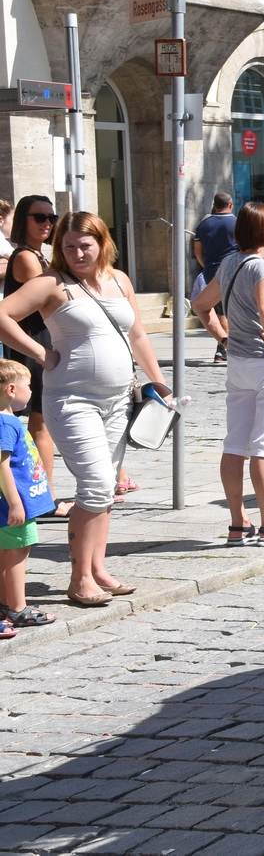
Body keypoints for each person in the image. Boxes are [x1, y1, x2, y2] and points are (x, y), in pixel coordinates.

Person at [0, 212, 169, 605]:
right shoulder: (52, 283)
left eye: (85, 245)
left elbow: (138, 333)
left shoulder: (119, 279)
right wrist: (42, 353)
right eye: (68, 246)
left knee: (106, 488)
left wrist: (158, 379)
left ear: (102, 243)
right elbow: (2, 314)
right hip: (72, 401)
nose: (77, 253)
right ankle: (79, 580)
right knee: (93, 486)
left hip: (117, 401)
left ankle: (97, 569)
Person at [191, 203, 264, 546]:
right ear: (261, 231)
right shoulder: (262, 268)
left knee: (235, 444)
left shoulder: (229, 263)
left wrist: (223, 338)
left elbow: (201, 304)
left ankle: (238, 522)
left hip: (238, 363)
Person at [3, 196, 64, 519]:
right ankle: (47, 496)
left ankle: (44, 492)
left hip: (38, 340)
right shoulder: (27, 258)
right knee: (40, 421)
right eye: (38, 217)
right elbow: (53, 294)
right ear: (23, 220)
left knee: (42, 420)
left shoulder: (40, 256)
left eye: (51, 217)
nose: (47, 223)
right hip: (32, 344)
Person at [0, 358, 53, 632]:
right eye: (28, 386)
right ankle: (18, 608)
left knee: (9, 551)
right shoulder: (5, 424)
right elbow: (2, 465)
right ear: (11, 390)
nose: (31, 391)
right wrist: (15, 503)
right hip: (14, 506)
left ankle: (6, 601)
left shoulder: (9, 420)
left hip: (15, 504)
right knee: (17, 552)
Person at [193, 193, 238, 362]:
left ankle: (222, 347)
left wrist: (207, 267)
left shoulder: (204, 224)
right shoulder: (237, 223)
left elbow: (198, 251)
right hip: (234, 270)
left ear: (215, 205)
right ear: (231, 205)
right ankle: (225, 348)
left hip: (212, 271)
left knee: (221, 310)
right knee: (233, 309)